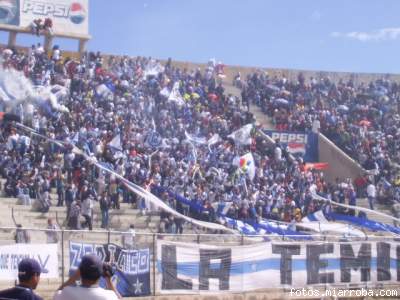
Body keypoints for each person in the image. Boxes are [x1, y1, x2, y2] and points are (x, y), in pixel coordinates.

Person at [54, 254, 120, 300]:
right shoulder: (109, 296)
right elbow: (118, 298)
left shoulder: (67, 292)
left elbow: (57, 294)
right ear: (100, 274)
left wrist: (74, 277)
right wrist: (108, 279)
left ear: (80, 272)